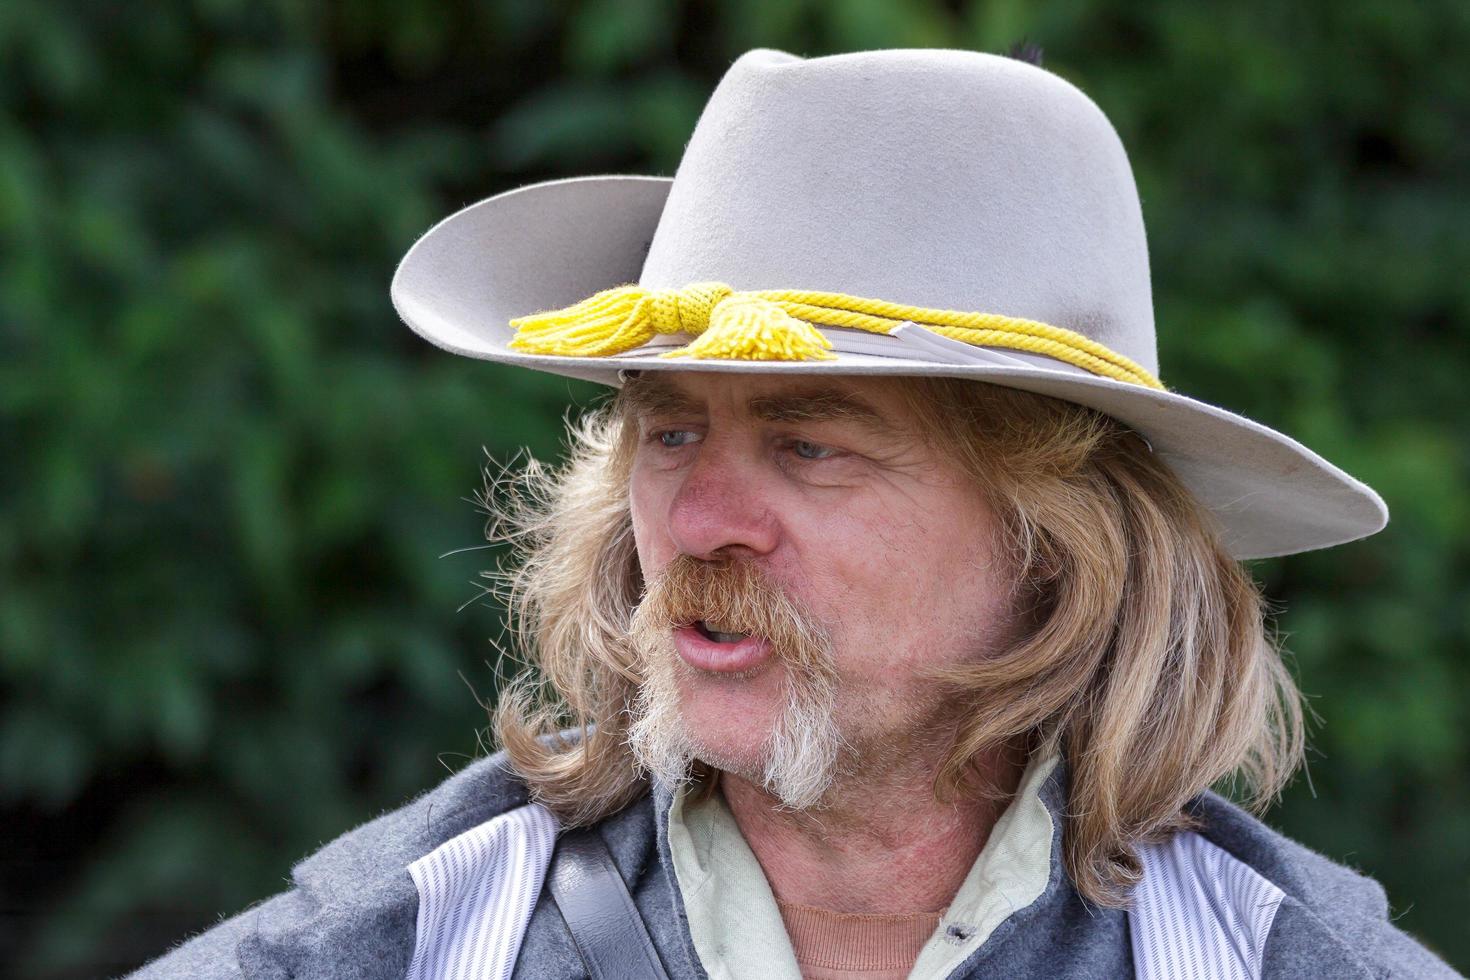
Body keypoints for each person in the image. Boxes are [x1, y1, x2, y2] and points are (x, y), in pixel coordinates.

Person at [131, 46, 1460, 980]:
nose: (701, 521)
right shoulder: (381, 948)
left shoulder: (1277, 961)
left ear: (1063, 544)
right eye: (668, 432)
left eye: (811, 447)